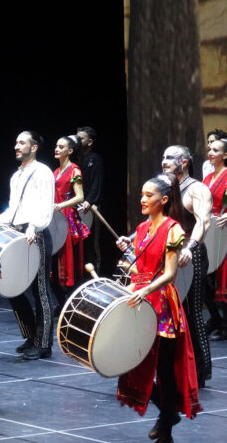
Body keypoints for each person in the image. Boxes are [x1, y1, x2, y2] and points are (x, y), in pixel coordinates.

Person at [115, 173, 201, 442]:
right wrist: (127, 263)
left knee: (164, 369)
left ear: (163, 200)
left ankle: (166, 425)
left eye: (148, 195)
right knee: (131, 360)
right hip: (141, 300)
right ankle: (167, 412)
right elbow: (139, 269)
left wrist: (143, 290)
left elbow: (168, 274)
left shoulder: (173, 229)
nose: (143, 199)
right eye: (141, 194)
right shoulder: (141, 230)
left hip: (162, 303)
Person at [0, 130, 55, 360]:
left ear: (34, 147)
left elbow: (45, 207)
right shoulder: (16, 176)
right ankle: (31, 335)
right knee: (11, 287)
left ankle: (44, 343)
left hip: (35, 234)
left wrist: (34, 226)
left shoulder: (43, 172)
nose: (17, 146)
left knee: (40, 290)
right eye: (16, 142)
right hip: (18, 234)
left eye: (22, 143)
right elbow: (14, 210)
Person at [162, 145, 213, 387]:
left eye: (170, 157)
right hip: (173, 254)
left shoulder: (197, 189)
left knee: (192, 312)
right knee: (175, 312)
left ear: (184, 162)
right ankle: (181, 366)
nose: (164, 161)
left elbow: (203, 222)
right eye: (163, 157)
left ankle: (201, 370)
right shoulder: (168, 189)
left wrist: (190, 248)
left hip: (192, 254)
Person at [51, 135, 90, 307]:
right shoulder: (55, 172)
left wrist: (60, 205)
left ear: (70, 151)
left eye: (61, 147)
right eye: (56, 146)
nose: (57, 149)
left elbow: (80, 197)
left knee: (66, 261)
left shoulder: (75, 170)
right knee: (54, 262)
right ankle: (61, 302)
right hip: (55, 217)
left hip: (66, 217)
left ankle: (69, 303)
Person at [204, 138, 227, 340]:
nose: (210, 152)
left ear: (225, 155)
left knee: (223, 279)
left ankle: (224, 325)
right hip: (209, 232)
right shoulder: (208, 177)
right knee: (205, 279)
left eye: (216, 150)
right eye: (210, 149)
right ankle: (216, 320)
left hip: (224, 232)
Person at [76, 126, 104, 272]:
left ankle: (96, 273)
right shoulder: (75, 158)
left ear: (90, 141)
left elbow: (96, 184)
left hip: (91, 207)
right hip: (77, 206)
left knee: (92, 243)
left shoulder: (95, 159)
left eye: (81, 138)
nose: (77, 140)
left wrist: (90, 200)